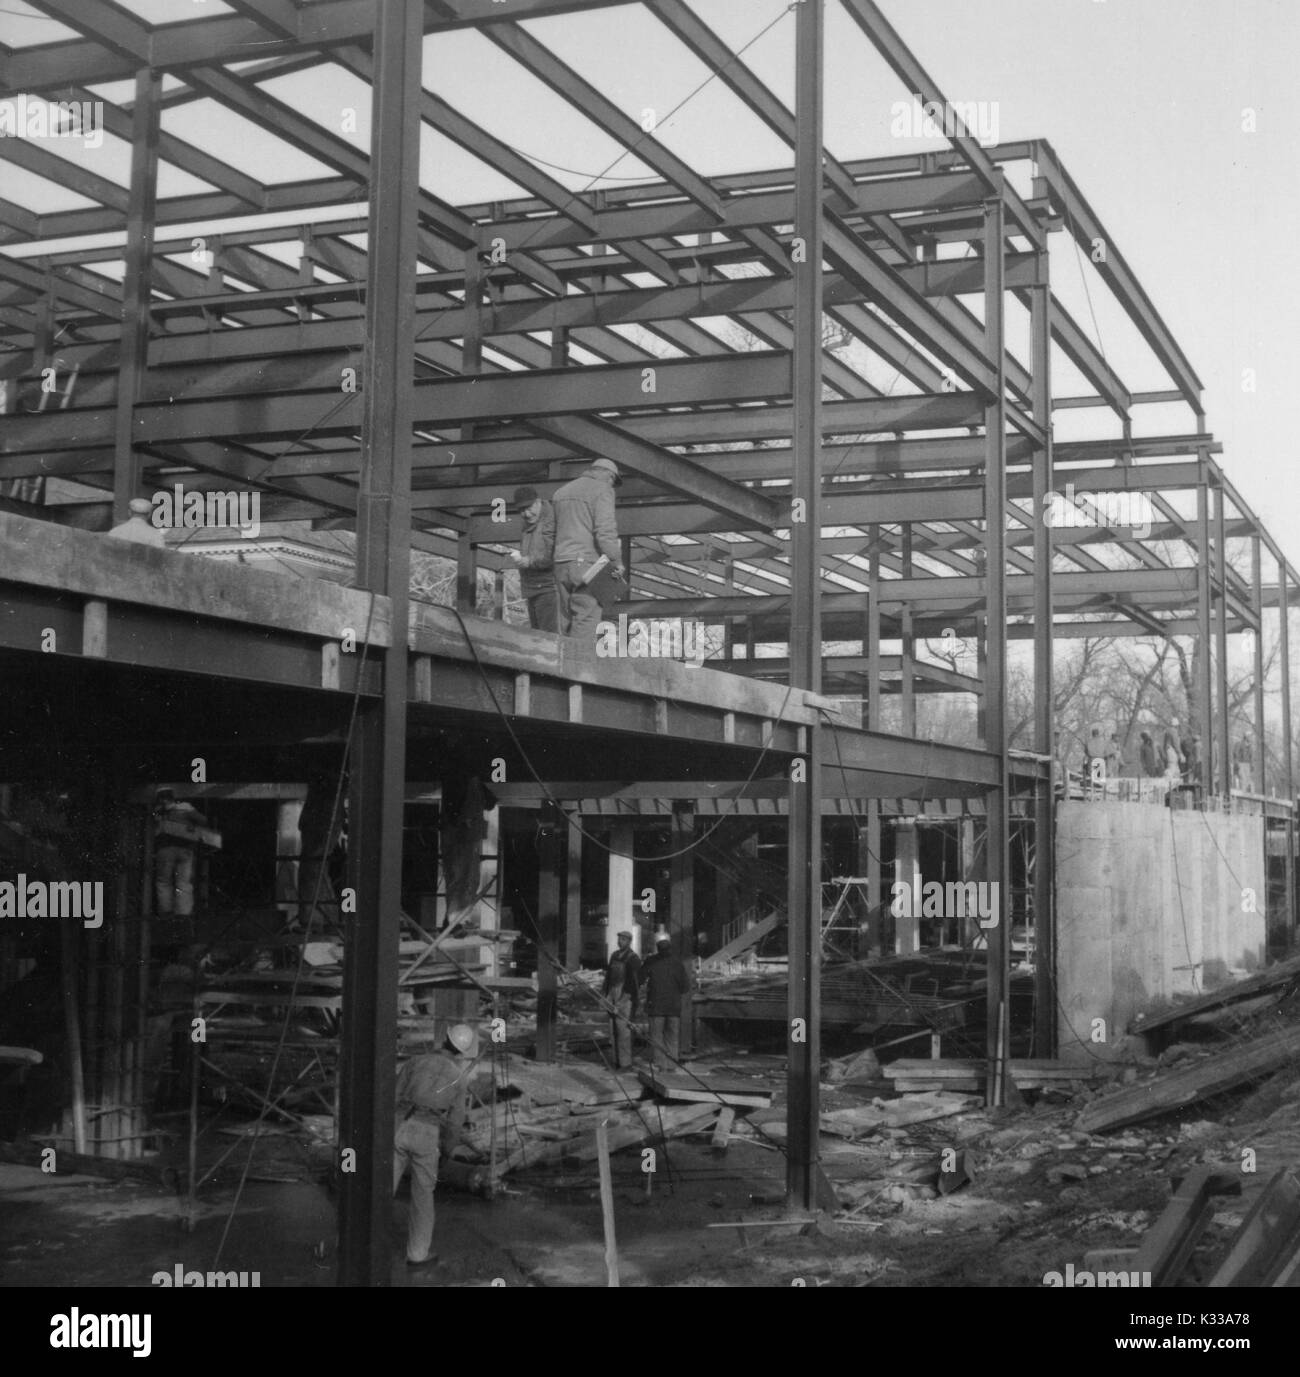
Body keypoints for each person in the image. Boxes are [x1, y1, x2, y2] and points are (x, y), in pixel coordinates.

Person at [392, 1023, 478, 1268]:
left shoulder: (416, 1061)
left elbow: (393, 1096)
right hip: (428, 1134)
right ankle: (417, 1254)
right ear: (462, 1052)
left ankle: (363, 1243)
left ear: (444, 1040)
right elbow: (455, 1121)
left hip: (401, 1125)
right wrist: (448, 1150)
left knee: (381, 1188)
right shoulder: (459, 1078)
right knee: (422, 1197)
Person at [551, 457, 623, 641]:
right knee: (586, 618)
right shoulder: (603, 490)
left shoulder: (561, 492)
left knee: (565, 621)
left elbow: (551, 532)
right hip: (588, 564)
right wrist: (616, 562)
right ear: (609, 475)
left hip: (561, 563)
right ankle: (579, 668)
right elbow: (605, 532)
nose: (612, 485)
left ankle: (561, 667)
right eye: (613, 480)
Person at [153, 787, 211, 917]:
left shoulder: (158, 812)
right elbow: (203, 820)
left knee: (164, 881)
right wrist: (193, 828)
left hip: (165, 849)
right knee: (184, 882)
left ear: (160, 799)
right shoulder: (185, 807)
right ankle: (183, 913)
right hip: (185, 849)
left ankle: (166, 911)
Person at [508, 485, 557, 632]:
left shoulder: (550, 521)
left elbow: (550, 555)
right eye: (522, 510)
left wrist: (528, 561)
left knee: (548, 637)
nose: (527, 514)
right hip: (533, 588)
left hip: (548, 588)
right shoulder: (529, 525)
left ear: (538, 502)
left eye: (529, 508)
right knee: (539, 635)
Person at [641, 935, 691, 1071]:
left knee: (656, 1037)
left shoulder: (651, 961)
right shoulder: (677, 963)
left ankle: (660, 1065)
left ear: (657, 949)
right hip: (673, 1007)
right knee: (672, 1037)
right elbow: (685, 987)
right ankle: (671, 1066)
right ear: (670, 949)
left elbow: (640, 979)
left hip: (656, 1007)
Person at [602, 930, 642, 1070]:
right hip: (612, 993)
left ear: (629, 941)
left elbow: (634, 984)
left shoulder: (633, 959)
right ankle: (615, 1062)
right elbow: (608, 977)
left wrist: (622, 1001)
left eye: (624, 939)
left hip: (625, 996)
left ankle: (625, 1064)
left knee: (623, 1032)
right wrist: (605, 995)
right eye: (619, 939)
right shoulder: (614, 956)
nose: (620, 941)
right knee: (612, 1031)